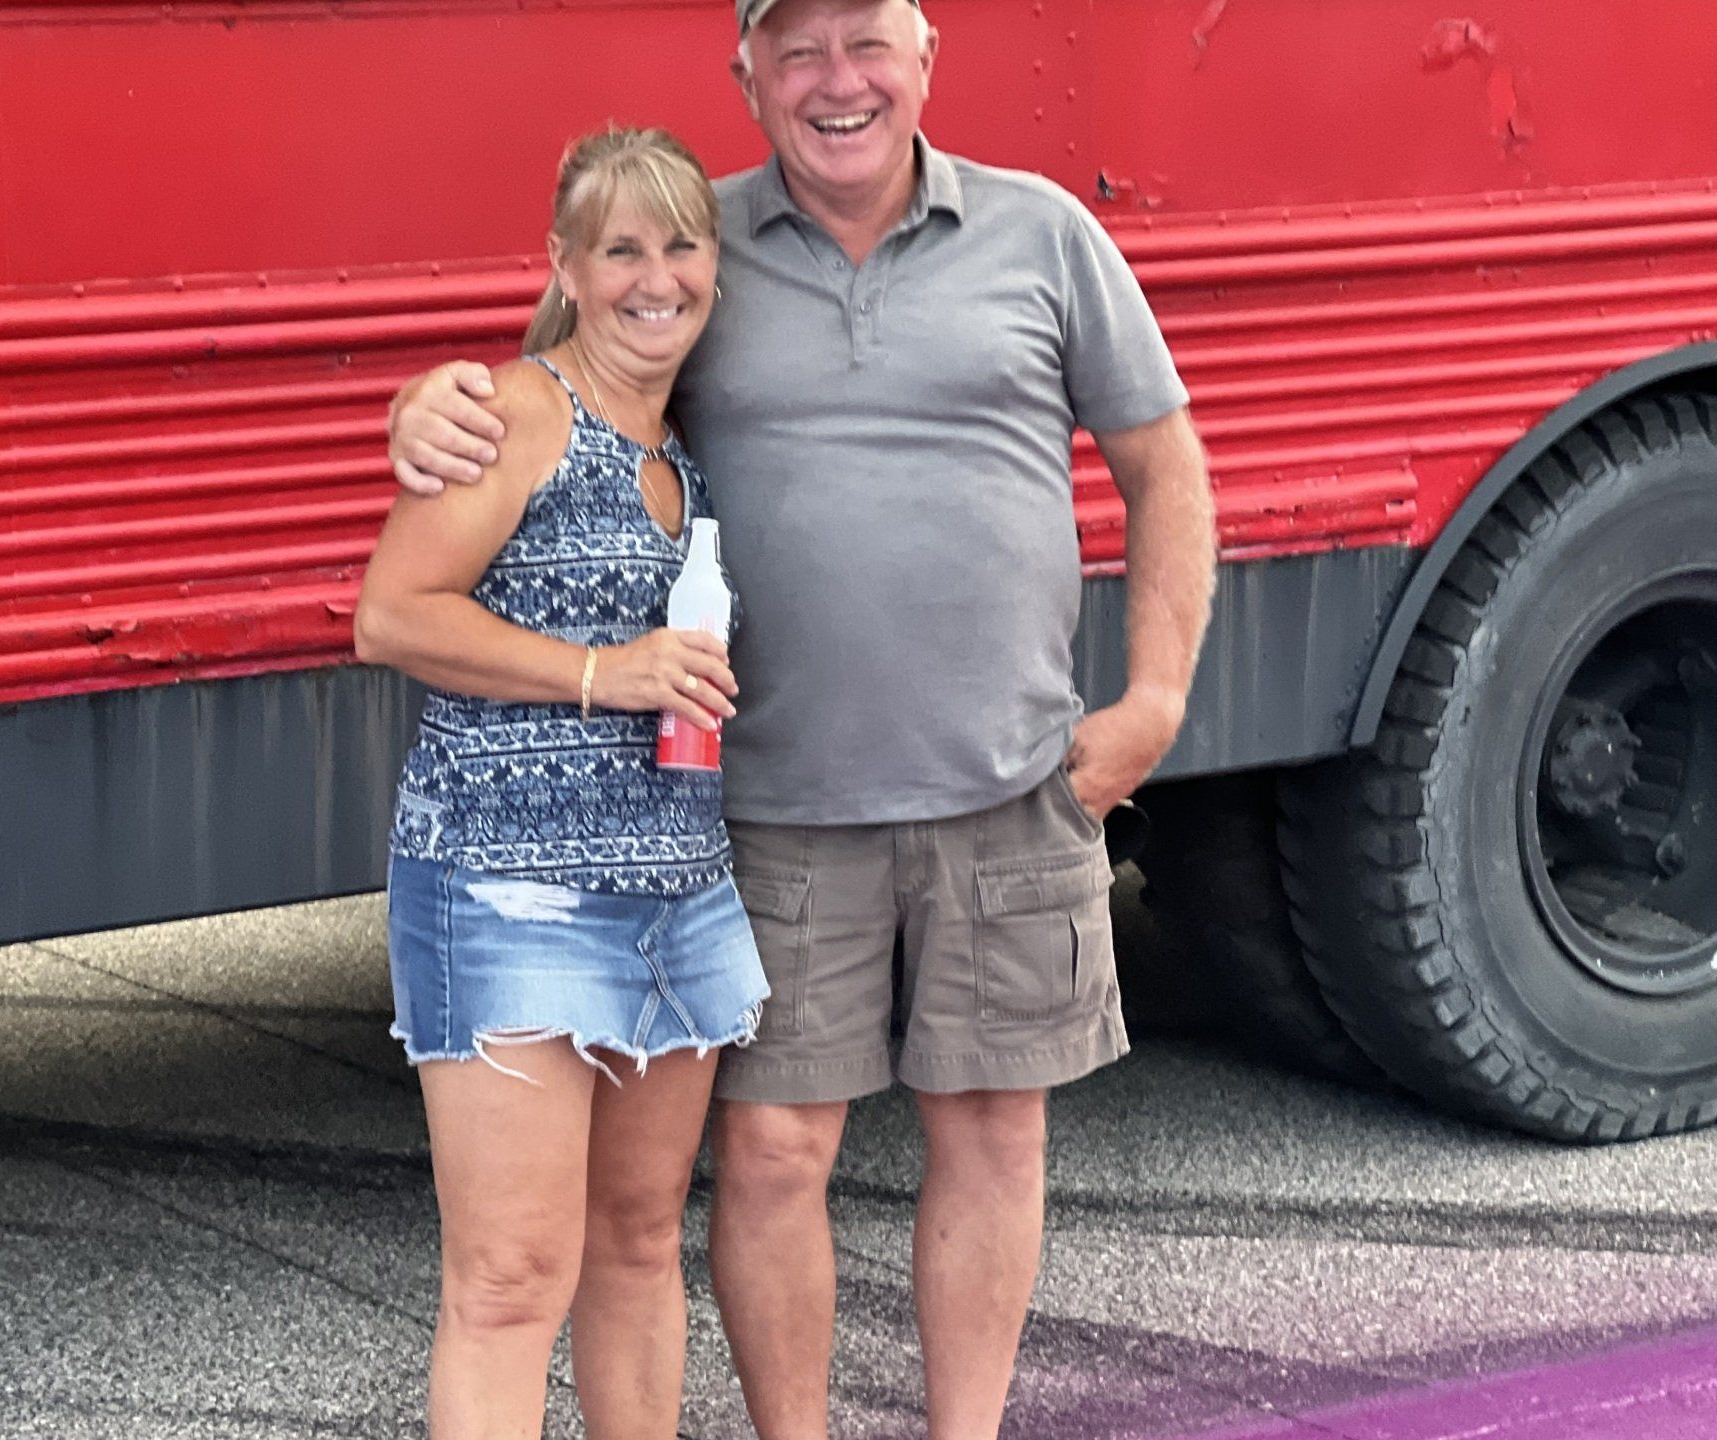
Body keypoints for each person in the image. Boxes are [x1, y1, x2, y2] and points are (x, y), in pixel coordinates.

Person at [386, 2, 1217, 1435]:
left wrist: (1153, 699)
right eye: (801, 50)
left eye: (868, 44)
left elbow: (1166, 467)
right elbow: (553, 374)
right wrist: (426, 405)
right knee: (770, 1155)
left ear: (926, 58)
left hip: (1009, 782)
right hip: (764, 799)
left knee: (994, 1135)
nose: (840, 83)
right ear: (749, 75)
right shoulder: (694, 240)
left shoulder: (1042, 234)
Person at [354, 126, 770, 1440]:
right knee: (511, 1275)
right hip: (504, 889)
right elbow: (391, 615)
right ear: (568, 268)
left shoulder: (688, 446)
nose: (658, 279)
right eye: (623, 250)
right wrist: (607, 673)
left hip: (676, 897)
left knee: (643, 1245)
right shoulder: (517, 412)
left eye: (682, 247)